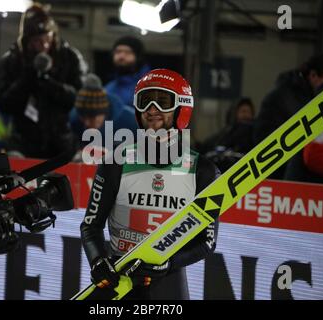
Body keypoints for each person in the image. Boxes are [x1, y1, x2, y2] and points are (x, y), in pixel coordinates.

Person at [80, 69, 220, 299]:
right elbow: (90, 226)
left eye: (163, 101)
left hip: (168, 283)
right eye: (145, 101)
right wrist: (97, 261)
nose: (152, 109)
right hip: (120, 280)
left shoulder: (203, 172)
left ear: (181, 107)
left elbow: (207, 241)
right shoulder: (115, 163)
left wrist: (169, 262)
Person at [0, 3, 86, 159]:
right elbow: (4, 103)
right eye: (37, 41)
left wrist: (48, 82)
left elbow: (78, 98)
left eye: (47, 39)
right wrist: (28, 77)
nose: (44, 45)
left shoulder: (69, 57)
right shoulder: (11, 60)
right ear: (27, 40)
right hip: (23, 141)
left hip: (61, 141)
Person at [253, 53, 323, 179]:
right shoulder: (285, 98)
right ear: (313, 75)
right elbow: (263, 138)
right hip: (283, 175)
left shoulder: (314, 99)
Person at [69, 73, 138, 161]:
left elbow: (147, 152)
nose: (86, 123)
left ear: (104, 113)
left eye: (92, 118)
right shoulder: (74, 120)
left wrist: (114, 155)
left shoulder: (130, 120)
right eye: (83, 117)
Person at [105, 36, 151, 107]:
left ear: (138, 57)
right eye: (118, 52)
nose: (121, 56)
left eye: (128, 52)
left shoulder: (151, 86)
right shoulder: (109, 88)